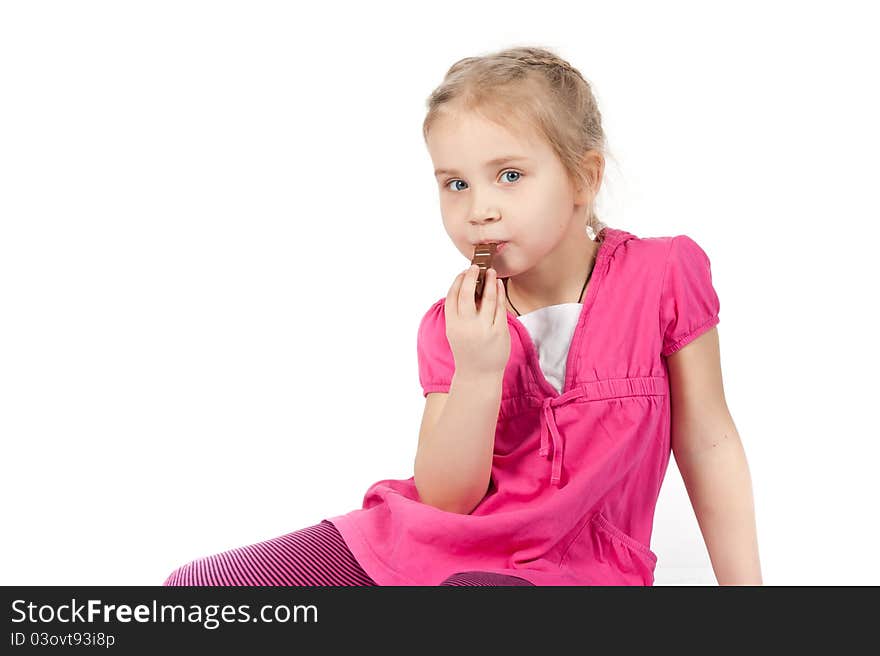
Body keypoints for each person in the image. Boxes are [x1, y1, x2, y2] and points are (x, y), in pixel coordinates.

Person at [163, 45, 762, 587]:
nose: (479, 210)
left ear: (584, 177)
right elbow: (447, 498)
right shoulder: (450, 325)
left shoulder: (662, 276)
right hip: (427, 545)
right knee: (195, 592)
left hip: (572, 572)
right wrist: (477, 370)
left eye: (509, 176)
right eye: (454, 184)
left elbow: (708, 441)